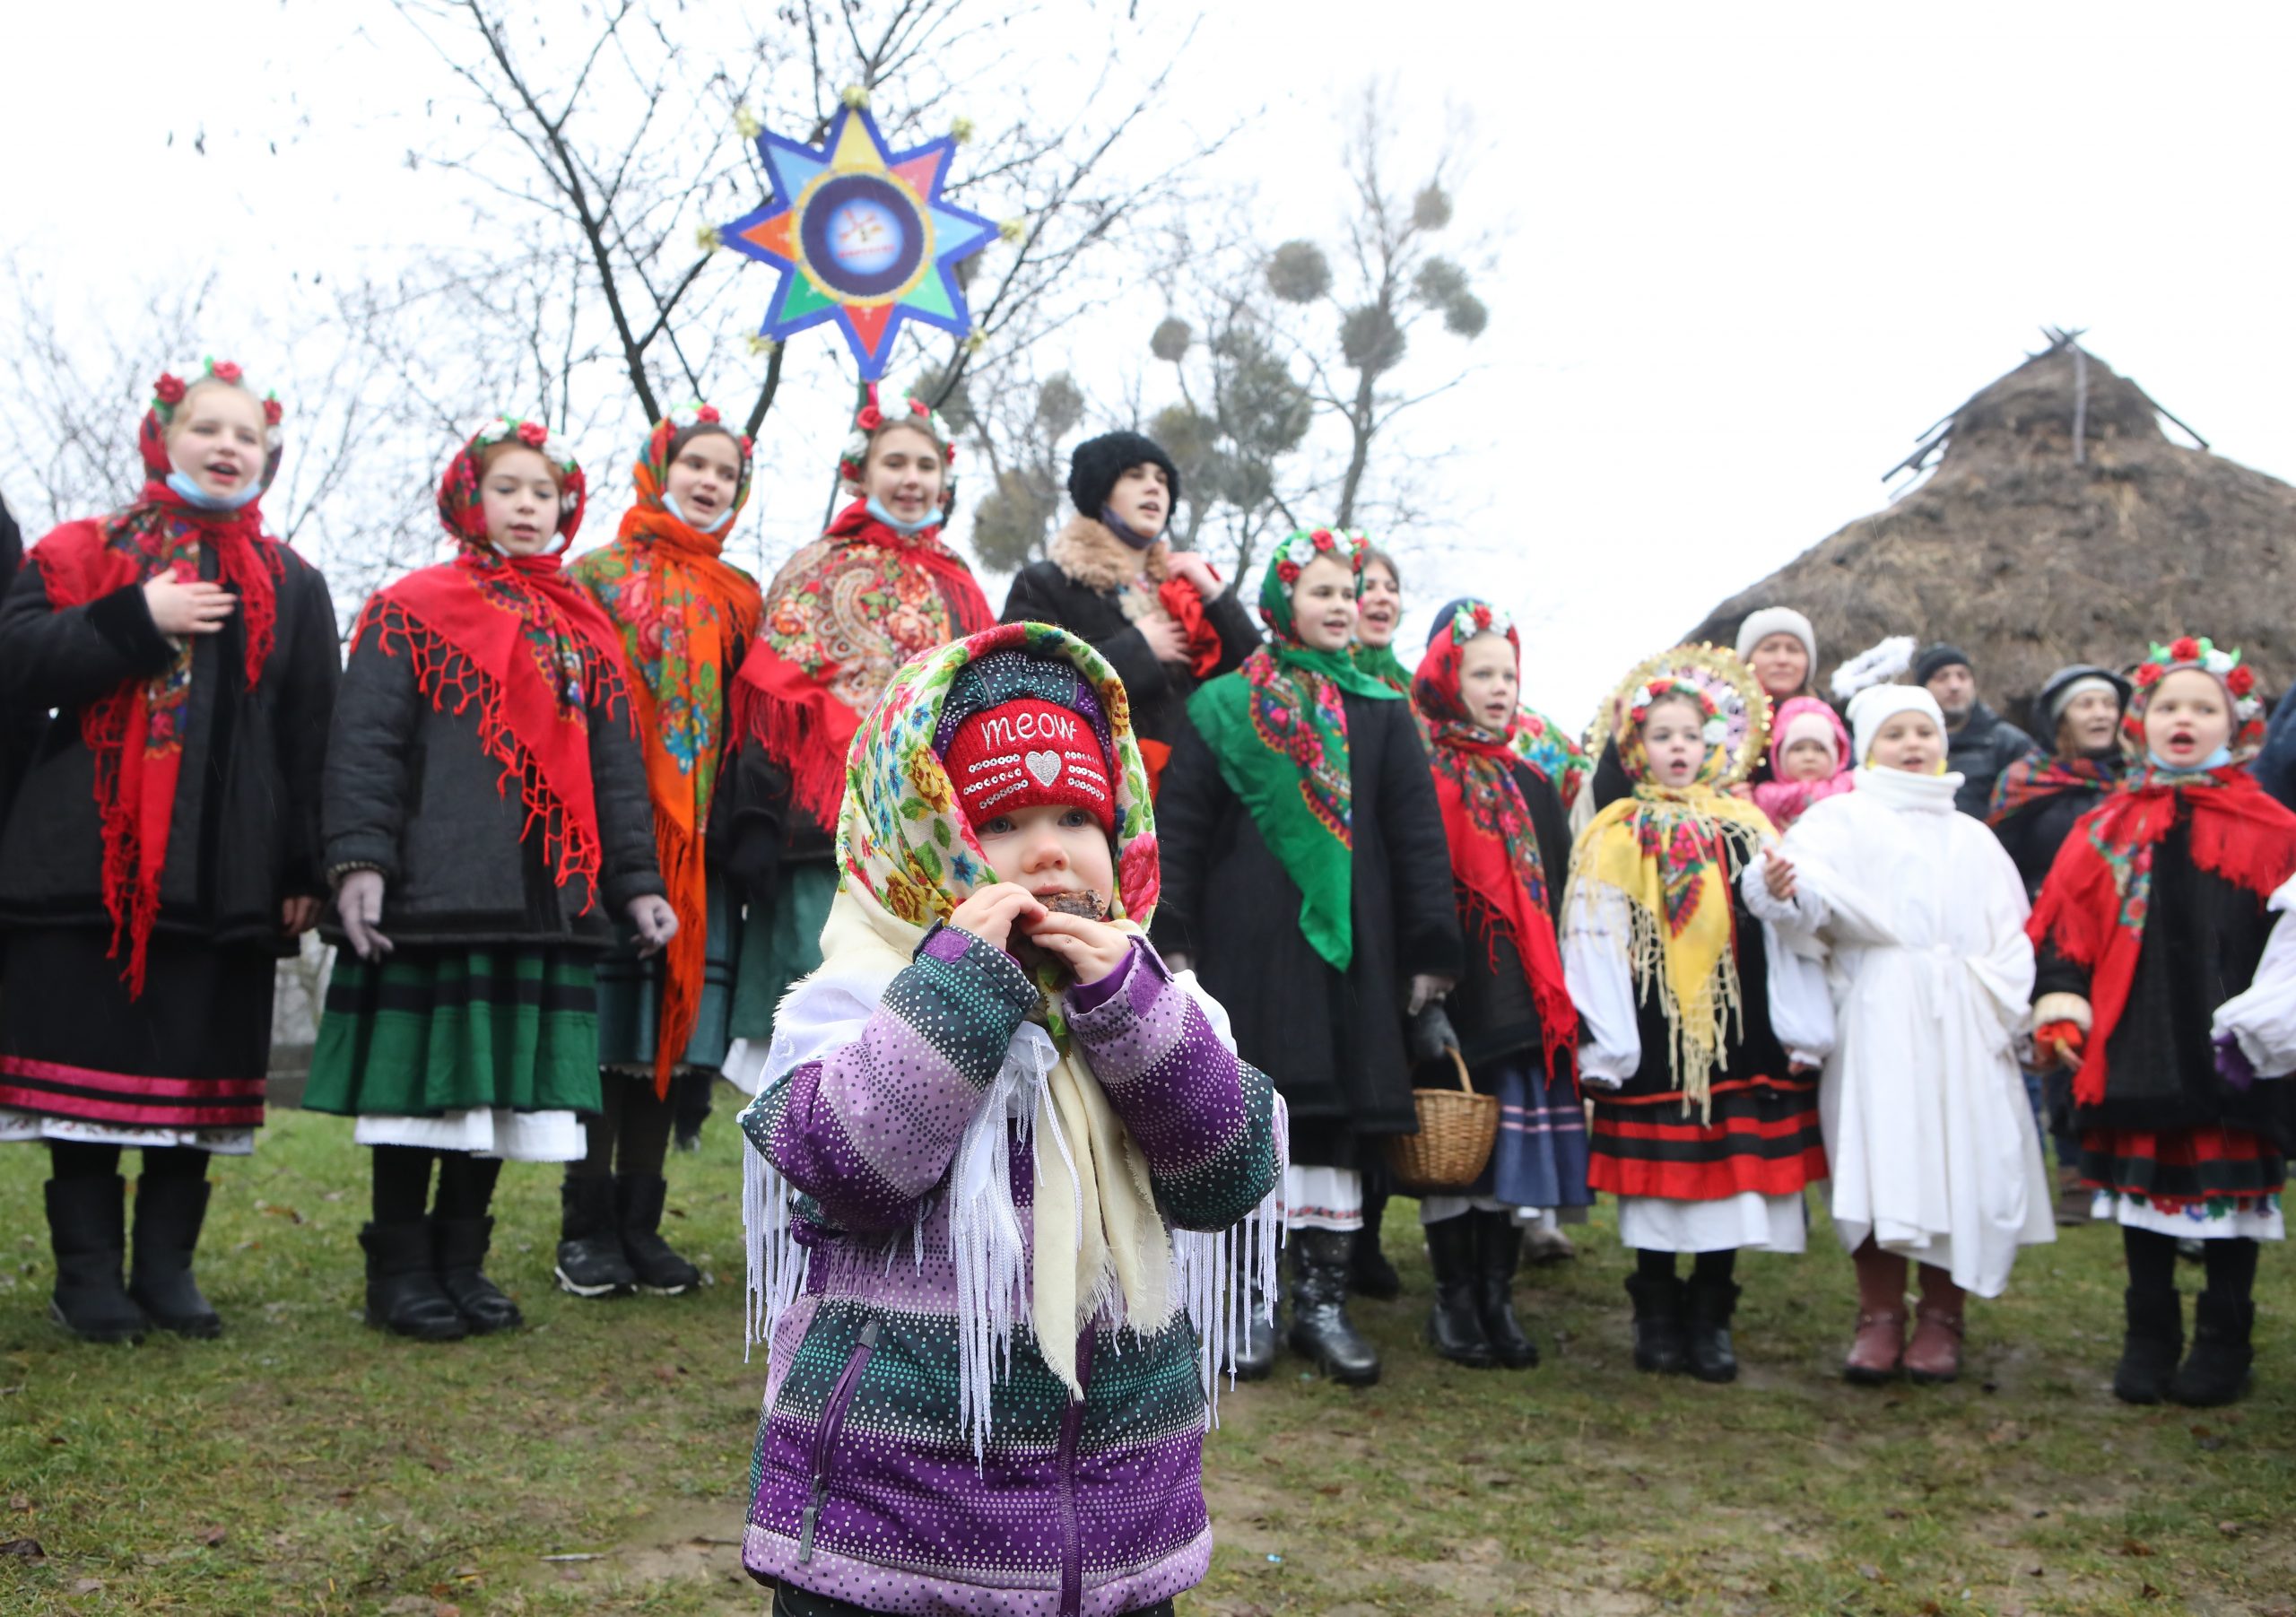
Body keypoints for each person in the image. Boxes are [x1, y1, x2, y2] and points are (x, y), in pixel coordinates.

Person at [735, 623, 1282, 1617]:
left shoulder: (1165, 1005)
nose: (1046, 853)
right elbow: (854, 1170)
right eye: (998, 824)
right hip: (892, 1525)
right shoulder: (855, 998)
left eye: (1078, 816)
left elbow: (1227, 1175)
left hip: (1113, 1527)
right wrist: (958, 995)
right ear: (920, 841)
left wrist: (1129, 1016)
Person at [305, 415, 673, 1340]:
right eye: (507, 487)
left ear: (564, 509)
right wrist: (358, 861)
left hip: (547, 899)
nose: (525, 505)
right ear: (469, 498)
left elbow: (617, 774)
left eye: (542, 493)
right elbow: (366, 746)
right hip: (437, 890)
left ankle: (461, 1264)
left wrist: (636, 882)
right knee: (423, 1087)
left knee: (505, 1088)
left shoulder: (586, 634)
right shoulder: (410, 607)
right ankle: (399, 1270)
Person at [0, 361, 339, 1343]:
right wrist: (134, 621)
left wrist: (305, 871)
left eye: (247, 436)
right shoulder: (84, 550)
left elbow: (310, 731)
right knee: (85, 1081)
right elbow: (16, 661)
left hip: (224, 877)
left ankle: (167, 1272)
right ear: (164, 438)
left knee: (191, 1079)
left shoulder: (292, 581)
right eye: (207, 428)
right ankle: (88, 1278)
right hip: (82, 869)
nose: (228, 447)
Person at [1152, 526, 1460, 1387]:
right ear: (1283, 599)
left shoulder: (1382, 709)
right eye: (1320, 590)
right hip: (1245, 945)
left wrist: (1430, 949)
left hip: (1352, 952)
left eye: (1349, 591)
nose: (1339, 605)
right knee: (1255, 1116)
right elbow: (1178, 826)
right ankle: (1248, 1298)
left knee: (1334, 1124)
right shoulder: (1221, 706)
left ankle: (1322, 1300)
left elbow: (1416, 834)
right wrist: (1172, 940)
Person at [1748, 685, 2055, 1385]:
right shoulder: (1840, 820)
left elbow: (2011, 933)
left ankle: (1943, 1317)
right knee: (1880, 1155)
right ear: (1868, 745)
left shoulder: (1973, 836)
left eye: (1925, 731)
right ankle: (1879, 1313)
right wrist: (1782, 885)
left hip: (1964, 1016)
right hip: (1877, 1010)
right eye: (1896, 733)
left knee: (1957, 1158)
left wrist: (2005, 1011)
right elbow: (1800, 898)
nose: (1914, 744)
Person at [2029, 636, 2296, 1407]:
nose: (2186, 719)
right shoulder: (2108, 825)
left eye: (2204, 707)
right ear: (2141, 720)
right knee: (2142, 1209)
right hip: (2137, 1043)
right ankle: (2149, 1334)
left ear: (2237, 724)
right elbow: (2065, 923)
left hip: (2229, 1050)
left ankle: (2225, 1339)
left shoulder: (2275, 829)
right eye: (2170, 706)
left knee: (2232, 1207)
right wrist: (2060, 992)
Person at [1561, 648, 1830, 1384]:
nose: (1678, 747)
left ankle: (1712, 1311)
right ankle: (1655, 1310)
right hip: (1653, 1032)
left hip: (1738, 1037)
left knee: (1731, 1185)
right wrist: (1605, 1042)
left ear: (1714, 743)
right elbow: (1591, 931)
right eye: (1661, 734)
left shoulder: (1745, 824)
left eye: (1690, 734)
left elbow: (1787, 922)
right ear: (1635, 746)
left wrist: (1780, 889)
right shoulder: (1614, 832)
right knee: (1660, 1185)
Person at [720, 388, 993, 1098]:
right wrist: (755, 820)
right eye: (893, 461)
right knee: (818, 1028)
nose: (910, 478)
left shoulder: (962, 587)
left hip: (928, 841)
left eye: (925, 464)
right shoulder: (818, 567)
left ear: (944, 479)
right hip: (820, 842)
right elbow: (768, 705)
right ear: (860, 473)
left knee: (914, 1038)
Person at [557, 404, 762, 1293]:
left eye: (727, 473)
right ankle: (584, 1226)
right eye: (696, 465)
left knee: (663, 1043)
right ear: (658, 468)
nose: (710, 483)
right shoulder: (591, 577)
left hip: (704, 847)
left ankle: (642, 1224)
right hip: (610, 838)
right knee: (608, 1036)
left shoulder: (741, 594)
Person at [1409, 599, 1581, 1369]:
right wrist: (1422, 990)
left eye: (1508, 673)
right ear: (1448, 675)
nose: (1500, 687)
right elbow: (1414, 881)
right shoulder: (1423, 772)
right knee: (1454, 1146)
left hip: (1517, 992)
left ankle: (1496, 1292)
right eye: (1482, 671)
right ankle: (1453, 1293)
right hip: (1451, 985)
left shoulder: (1532, 783)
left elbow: (1555, 881)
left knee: (1503, 1143)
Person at [996, 430, 1257, 792]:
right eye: (1135, 476)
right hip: (1098, 793)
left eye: (1162, 480)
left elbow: (1259, 678)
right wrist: (1137, 651)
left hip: (1197, 796)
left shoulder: (1186, 590)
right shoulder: (1045, 583)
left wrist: (1215, 594)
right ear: (1101, 491)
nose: (1154, 488)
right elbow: (1017, 687)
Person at [1988, 663, 2133, 1218]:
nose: (2099, 713)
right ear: (2060, 719)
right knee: (2063, 1035)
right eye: (2085, 704)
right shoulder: (2029, 780)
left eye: (2107, 703)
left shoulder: (2137, 778)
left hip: (2128, 928)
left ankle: (2122, 1159)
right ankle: (2075, 1169)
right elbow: (2000, 856)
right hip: (2054, 930)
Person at [1591, 607, 1815, 809]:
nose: (1782, 659)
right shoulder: (1694, 715)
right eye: (1770, 648)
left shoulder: (1834, 722)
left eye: (1794, 649)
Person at [1915, 642, 2034, 817]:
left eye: (1962, 676)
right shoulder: (1907, 745)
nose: (1955, 686)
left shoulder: (2009, 743)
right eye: (1942, 678)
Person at [1750, 694, 1853, 832]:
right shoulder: (1767, 798)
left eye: (1820, 749)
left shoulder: (1848, 788)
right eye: (1798, 749)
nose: (1809, 757)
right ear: (1779, 755)